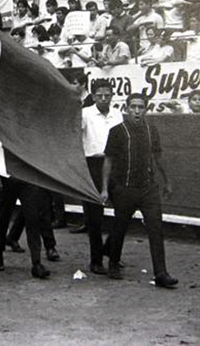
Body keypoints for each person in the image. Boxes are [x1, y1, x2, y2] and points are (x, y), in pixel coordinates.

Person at [101, 93, 178, 288]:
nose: (136, 111)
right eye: (133, 107)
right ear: (126, 109)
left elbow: (158, 157)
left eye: (140, 107)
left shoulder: (151, 130)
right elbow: (108, 160)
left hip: (148, 188)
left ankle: (161, 273)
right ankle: (113, 263)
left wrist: (168, 181)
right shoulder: (117, 131)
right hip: (124, 187)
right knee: (120, 227)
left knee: (156, 229)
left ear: (146, 109)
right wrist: (104, 188)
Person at [80, 80, 123, 274]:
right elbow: (73, 137)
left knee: (124, 211)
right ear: (93, 95)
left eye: (108, 95)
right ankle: (96, 260)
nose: (104, 99)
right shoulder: (85, 113)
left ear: (112, 95)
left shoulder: (117, 114)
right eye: (100, 95)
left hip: (115, 165)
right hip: (92, 165)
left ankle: (110, 249)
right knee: (94, 217)